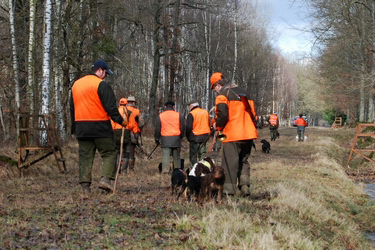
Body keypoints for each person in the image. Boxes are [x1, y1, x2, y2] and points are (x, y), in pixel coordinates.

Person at [70, 59, 127, 195]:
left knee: (85, 156)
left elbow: (72, 108)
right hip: (100, 126)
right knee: (109, 152)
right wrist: (121, 121)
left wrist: (74, 127)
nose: (106, 76)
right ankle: (105, 180)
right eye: (106, 73)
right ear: (100, 71)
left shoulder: (75, 85)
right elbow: (111, 108)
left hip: (81, 127)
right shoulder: (101, 85)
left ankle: (85, 188)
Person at [209, 72, 258, 196]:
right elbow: (254, 115)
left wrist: (217, 125)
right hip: (248, 133)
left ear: (217, 85)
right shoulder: (245, 93)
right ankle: (245, 187)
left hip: (232, 134)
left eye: (213, 87)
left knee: (229, 163)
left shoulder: (222, 95)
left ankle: (228, 192)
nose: (214, 90)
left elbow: (222, 115)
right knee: (244, 161)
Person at [154, 100, 185, 174]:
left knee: (165, 156)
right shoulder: (178, 115)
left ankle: (165, 171)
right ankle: (177, 171)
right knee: (176, 156)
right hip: (176, 138)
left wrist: (157, 139)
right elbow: (183, 127)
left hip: (165, 139)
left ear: (165, 107)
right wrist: (181, 136)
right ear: (173, 106)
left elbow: (157, 129)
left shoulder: (161, 115)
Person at [111, 98, 135, 173]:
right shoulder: (129, 112)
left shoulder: (115, 112)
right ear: (126, 104)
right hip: (126, 132)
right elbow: (131, 125)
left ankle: (117, 168)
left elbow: (112, 124)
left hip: (116, 132)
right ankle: (124, 170)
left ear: (119, 104)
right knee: (126, 152)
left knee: (117, 151)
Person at [186, 100, 211, 166]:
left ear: (192, 106)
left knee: (193, 155)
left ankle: (194, 169)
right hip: (205, 136)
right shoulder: (205, 112)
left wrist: (187, 136)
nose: (189, 107)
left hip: (195, 137)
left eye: (189, 106)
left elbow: (188, 127)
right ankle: (202, 168)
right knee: (202, 154)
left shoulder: (192, 113)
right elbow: (209, 123)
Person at [125, 96, 145, 171]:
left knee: (123, 150)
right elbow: (141, 123)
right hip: (134, 133)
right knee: (131, 150)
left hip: (123, 132)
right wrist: (139, 129)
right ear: (133, 103)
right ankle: (131, 168)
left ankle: (122, 168)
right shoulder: (137, 111)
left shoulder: (123, 110)